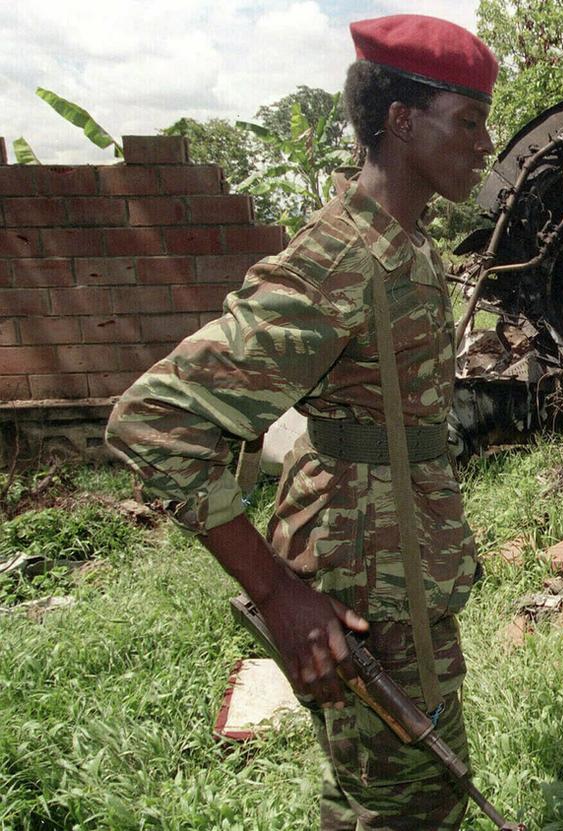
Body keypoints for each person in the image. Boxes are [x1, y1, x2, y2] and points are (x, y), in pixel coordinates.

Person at [105, 14, 497, 830]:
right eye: (468, 121)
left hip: (401, 568)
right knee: (413, 804)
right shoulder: (340, 261)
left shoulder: (405, 244)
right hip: (365, 589)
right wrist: (278, 592)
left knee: (376, 796)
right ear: (401, 122)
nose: (484, 143)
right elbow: (153, 418)